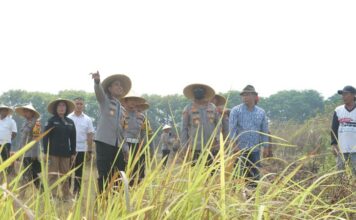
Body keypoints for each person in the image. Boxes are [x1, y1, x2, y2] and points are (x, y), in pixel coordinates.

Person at [91, 71, 131, 193]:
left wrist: (125, 149)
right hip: (104, 142)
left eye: (121, 86)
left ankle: (115, 201)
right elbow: (99, 93)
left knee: (119, 173)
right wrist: (97, 82)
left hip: (117, 145)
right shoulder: (105, 101)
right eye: (117, 84)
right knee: (104, 173)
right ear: (109, 88)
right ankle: (103, 201)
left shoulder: (123, 110)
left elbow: (123, 131)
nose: (120, 87)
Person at [228, 85, 269, 187]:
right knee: (237, 175)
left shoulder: (261, 112)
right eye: (243, 95)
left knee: (254, 176)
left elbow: (264, 130)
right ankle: (236, 196)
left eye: (247, 95)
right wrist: (234, 146)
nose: (245, 97)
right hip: (240, 149)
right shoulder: (236, 110)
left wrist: (266, 147)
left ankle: (252, 197)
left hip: (255, 149)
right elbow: (232, 130)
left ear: (254, 96)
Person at [43, 98, 76, 200]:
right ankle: (52, 196)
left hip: (66, 153)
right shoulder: (51, 121)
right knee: (52, 175)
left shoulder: (70, 122)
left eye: (63, 106)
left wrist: (73, 152)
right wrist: (45, 152)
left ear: (66, 109)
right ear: (56, 108)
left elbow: (73, 138)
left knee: (65, 175)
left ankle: (66, 196)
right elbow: (45, 137)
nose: (61, 108)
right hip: (53, 153)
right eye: (59, 106)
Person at [181, 83, 220, 165]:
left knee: (212, 173)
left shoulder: (213, 107)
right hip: (195, 147)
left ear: (204, 92)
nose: (198, 91)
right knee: (196, 173)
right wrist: (184, 145)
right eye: (196, 90)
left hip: (212, 147)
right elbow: (184, 128)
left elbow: (219, 125)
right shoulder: (187, 108)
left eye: (200, 90)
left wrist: (218, 139)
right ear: (193, 93)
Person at [68, 97, 94, 194]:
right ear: (73, 105)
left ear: (83, 106)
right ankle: (67, 193)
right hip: (69, 149)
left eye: (81, 104)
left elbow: (90, 135)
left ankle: (77, 193)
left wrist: (90, 150)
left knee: (79, 173)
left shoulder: (88, 119)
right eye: (77, 104)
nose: (79, 106)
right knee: (68, 172)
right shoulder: (68, 118)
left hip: (82, 149)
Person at [120, 92, 147, 185]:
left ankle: (134, 193)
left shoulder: (142, 117)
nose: (133, 102)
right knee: (124, 172)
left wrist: (144, 148)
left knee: (138, 172)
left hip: (137, 146)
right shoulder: (121, 114)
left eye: (135, 100)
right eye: (131, 100)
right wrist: (125, 148)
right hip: (124, 145)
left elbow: (144, 134)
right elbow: (120, 133)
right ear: (126, 101)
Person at [15, 104, 42, 192]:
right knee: (33, 175)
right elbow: (22, 140)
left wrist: (34, 153)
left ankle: (21, 194)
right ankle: (43, 192)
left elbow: (36, 139)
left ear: (32, 113)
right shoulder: (24, 123)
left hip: (31, 153)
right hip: (24, 153)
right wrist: (18, 152)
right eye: (24, 111)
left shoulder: (36, 123)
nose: (25, 113)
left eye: (27, 111)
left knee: (27, 174)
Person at [331, 85, 356, 175]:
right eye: (342, 94)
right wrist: (334, 144)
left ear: (353, 95)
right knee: (339, 175)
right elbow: (334, 128)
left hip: (355, 150)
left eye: (346, 94)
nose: (343, 96)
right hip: (341, 148)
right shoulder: (338, 110)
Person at [0, 104, 17, 173]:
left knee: (5, 159)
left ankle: (6, 173)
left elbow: (14, 133)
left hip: (6, 143)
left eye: (6, 111)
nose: (5, 112)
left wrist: (8, 139)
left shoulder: (11, 121)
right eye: (3, 110)